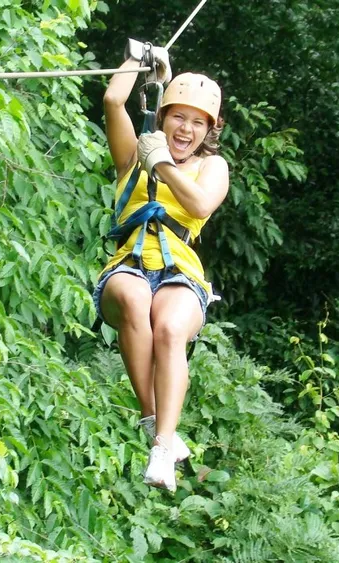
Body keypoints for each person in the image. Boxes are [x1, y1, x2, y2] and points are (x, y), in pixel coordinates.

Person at [93, 42, 229, 492]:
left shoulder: (212, 167)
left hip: (180, 272)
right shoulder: (134, 156)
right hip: (129, 264)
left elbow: (201, 203)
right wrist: (138, 58)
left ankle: (163, 446)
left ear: (208, 130)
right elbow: (114, 100)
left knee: (170, 328)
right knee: (134, 298)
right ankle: (154, 421)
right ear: (164, 116)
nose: (185, 129)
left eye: (197, 122)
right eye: (177, 117)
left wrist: (165, 166)